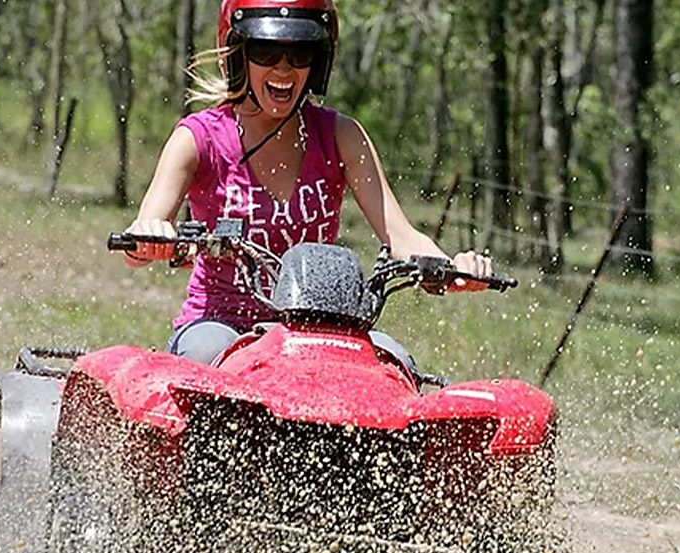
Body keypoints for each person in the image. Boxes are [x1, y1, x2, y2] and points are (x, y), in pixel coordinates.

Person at [122, 0, 492, 366]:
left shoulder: (341, 136)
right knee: (206, 355)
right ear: (237, 55)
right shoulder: (198, 139)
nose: (284, 68)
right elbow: (139, 242)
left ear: (319, 62)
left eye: (300, 52)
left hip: (320, 331)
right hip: (220, 324)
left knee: (396, 366)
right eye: (265, 51)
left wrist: (451, 268)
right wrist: (150, 237)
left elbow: (401, 236)